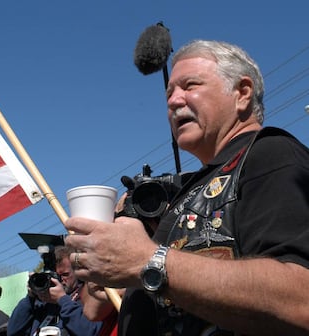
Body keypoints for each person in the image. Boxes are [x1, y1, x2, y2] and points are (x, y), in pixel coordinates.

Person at [64, 39, 309, 335]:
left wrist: (147, 260)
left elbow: (301, 298)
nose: (173, 101)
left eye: (190, 86)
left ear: (242, 93)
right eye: (170, 93)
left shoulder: (270, 155)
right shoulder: (189, 191)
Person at [7, 245, 102, 336]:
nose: (59, 280)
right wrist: (30, 298)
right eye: (54, 276)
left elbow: (91, 331)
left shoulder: (88, 297)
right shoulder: (42, 303)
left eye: (65, 274)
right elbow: (13, 332)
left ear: (77, 272)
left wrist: (62, 300)